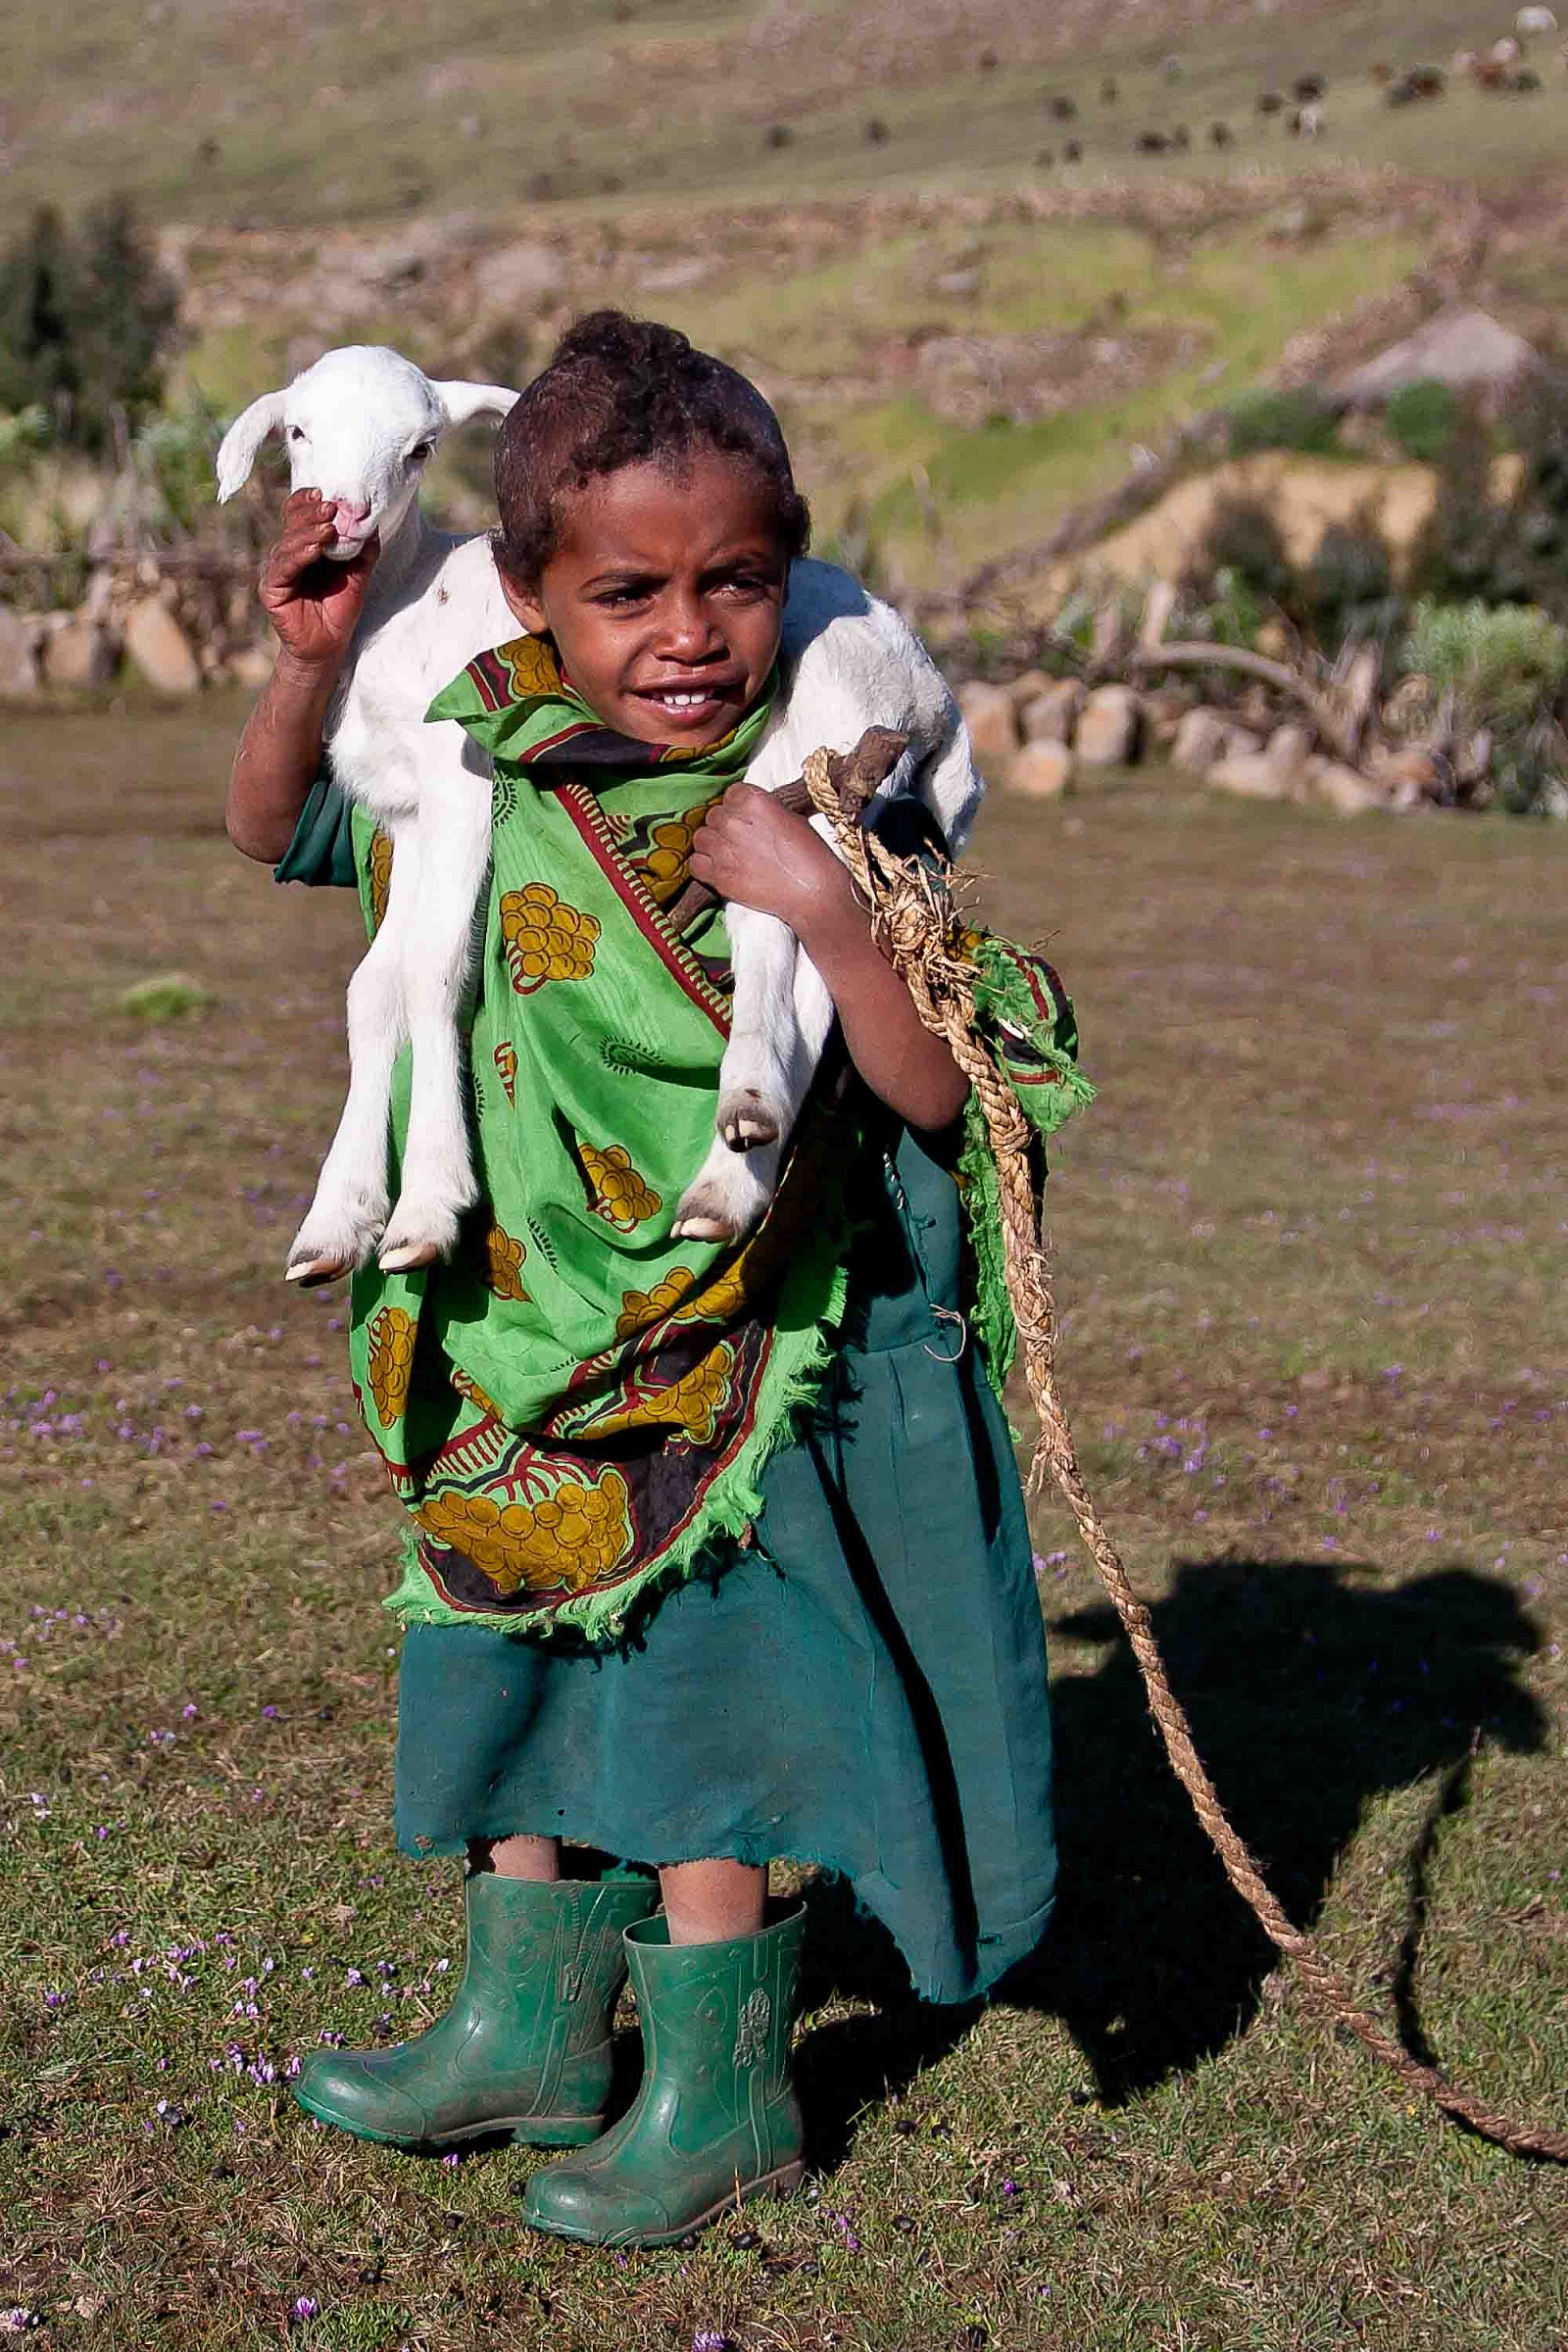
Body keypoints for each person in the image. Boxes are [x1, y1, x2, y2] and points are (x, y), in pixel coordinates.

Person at [225, 311, 1085, 2249]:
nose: (690, 632)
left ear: (796, 576)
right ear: (526, 593)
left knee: (689, 1718)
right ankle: (522, 2026)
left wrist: (817, 916)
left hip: (715, 1351)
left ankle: (720, 2093)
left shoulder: (824, 795)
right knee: (504, 1666)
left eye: (736, 584)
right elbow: (280, 822)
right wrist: (302, 667)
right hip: (508, 1328)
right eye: (629, 592)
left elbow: (936, 1088)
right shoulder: (480, 752)